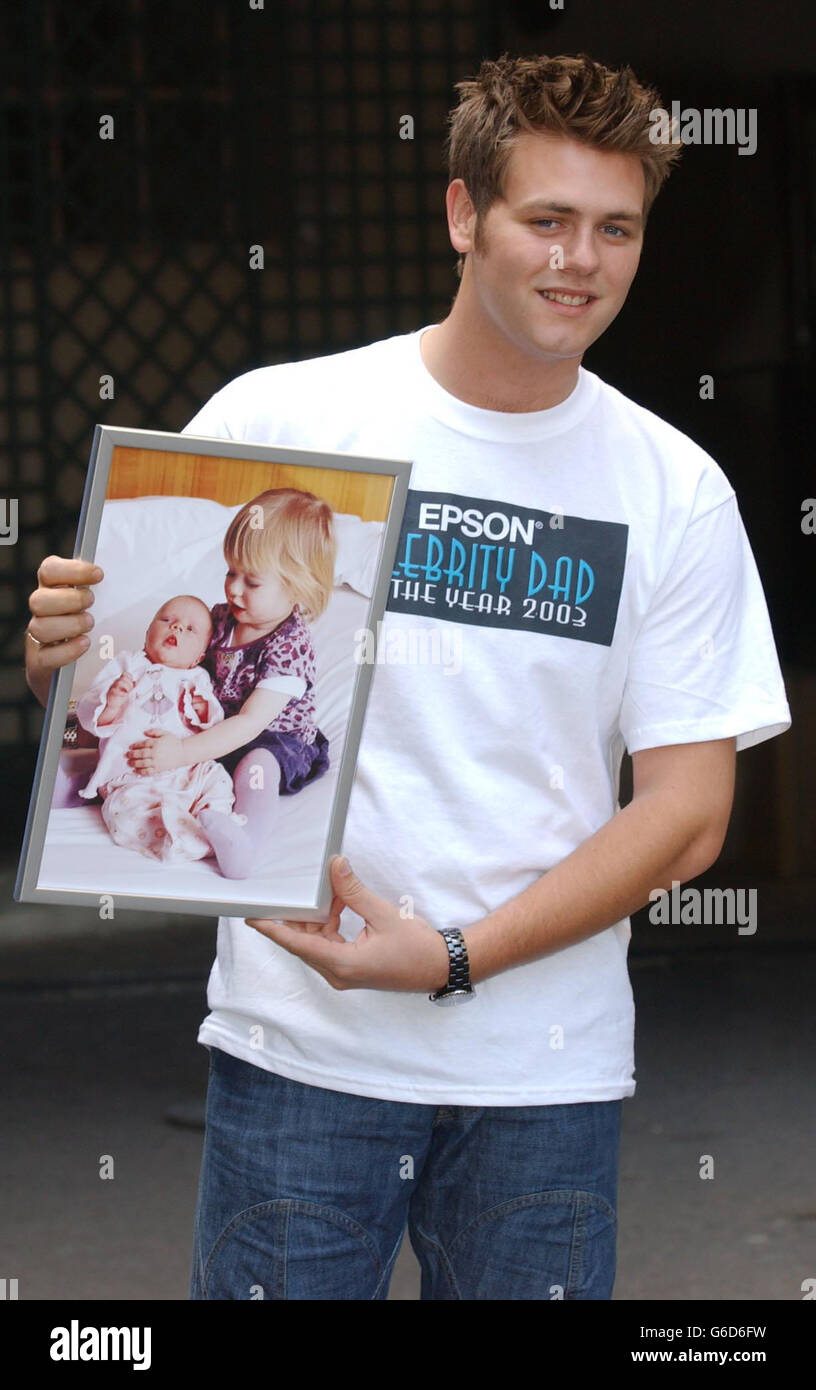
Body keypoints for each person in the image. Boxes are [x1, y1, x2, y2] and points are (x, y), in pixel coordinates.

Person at [24, 53, 791, 1300]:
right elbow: (121, 688)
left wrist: (453, 956)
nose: (578, 261)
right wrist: (60, 658)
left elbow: (689, 814)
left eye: (615, 229)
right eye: (545, 219)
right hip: (300, 1061)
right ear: (460, 215)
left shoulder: (675, 489)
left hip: (540, 1073)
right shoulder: (279, 423)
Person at [123, 487, 335, 879]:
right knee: (147, 735)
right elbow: (179, 665)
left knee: (257, 766)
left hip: (271, 738)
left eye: (252, 581)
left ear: (299, 586)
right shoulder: (219, 619)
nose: (234, 588)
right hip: (214, 726)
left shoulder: (289, 646)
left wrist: (183, 752)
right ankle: (86, 775)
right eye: (230, 572)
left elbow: (249, 724)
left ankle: (245, 842)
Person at [75, 593, 236, 864]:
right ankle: (184, 840)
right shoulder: (126, 666)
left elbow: (214, 727)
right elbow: (89, 713)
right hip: (133, 777)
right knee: (123, 812)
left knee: (218, 779)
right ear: (148, 632)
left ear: (199, 657)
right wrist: (112, 702)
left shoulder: (197, 678)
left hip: (188, 772)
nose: (176, 628)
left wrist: (203, 710)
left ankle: (219, 824)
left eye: (189, 629)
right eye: (167, 620)